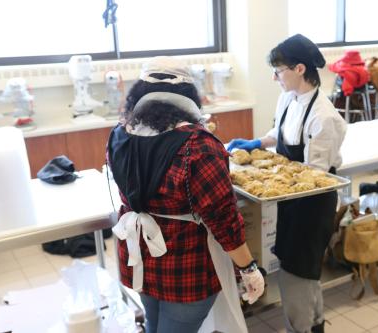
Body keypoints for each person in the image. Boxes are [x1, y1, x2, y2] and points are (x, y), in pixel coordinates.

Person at [107, 56, 264, 333]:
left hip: (141, 258)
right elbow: (223, 220)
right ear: (188, 96)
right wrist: (248, 268)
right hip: (184, 268)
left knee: (154, 324)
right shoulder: (198, 145)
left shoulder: (121, 135)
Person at [228, 34, 347, 333]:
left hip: (312, 205)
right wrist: (258, 142)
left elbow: (313, 177)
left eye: (279, 70)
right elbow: (280, 134)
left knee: (297, 274)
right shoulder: (288, 98)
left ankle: (302, 329)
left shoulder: (324, 117)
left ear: (300, 69)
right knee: (301, 273)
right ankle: (314, 326)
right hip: (292, 203)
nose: (274, 77)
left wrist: (266, 178)